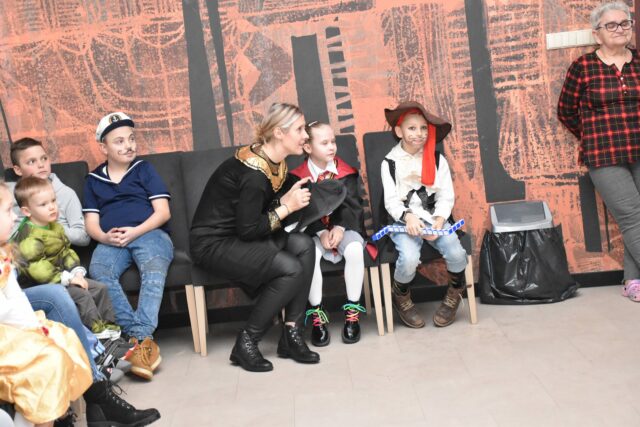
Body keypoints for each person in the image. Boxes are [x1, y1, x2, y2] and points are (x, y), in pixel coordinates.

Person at [0, 181, 160, 427]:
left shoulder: (12, 246)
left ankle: (101, 374)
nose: (14, 217)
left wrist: (75, 271)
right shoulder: (27, 237)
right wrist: (35, 331)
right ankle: (87, 397)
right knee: (60, 311)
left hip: (22, 300)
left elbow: (19, 294)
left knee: (61, 295)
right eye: (8, 210)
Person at [190, 102, 320, 372]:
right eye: (299, 129)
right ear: (279, 133)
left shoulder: (274, 160)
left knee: (305, 246)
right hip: (213, 243)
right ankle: (247, 341)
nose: (305, 135)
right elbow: (248, 229)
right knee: (291, 268)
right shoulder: (254, 175)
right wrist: (287, 207)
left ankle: (292, 334)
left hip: (237, 236)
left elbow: (262, 211)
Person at [557, 1, 640, 302]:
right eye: (611, 25)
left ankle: (632, 280)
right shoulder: (583, 66)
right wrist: (592, 136)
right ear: (597, 33)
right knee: (632, 217)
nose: (620, 29)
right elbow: (566, 111)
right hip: (604, 156)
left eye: (625, 23)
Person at [83, 112, 174, 380]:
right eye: (119, 141)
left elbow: (163, 212)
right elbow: (91, 223)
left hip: (149, 232)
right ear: (104, 148)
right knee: (99, 269)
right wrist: (105, 238)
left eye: (131, 139)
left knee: (153, 267)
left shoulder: (144, 169)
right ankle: (140, 342)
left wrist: (136, 231)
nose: (128, 145)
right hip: (113, 239)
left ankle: (138, 339)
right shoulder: (93, 180)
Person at [381, 101, 468, 328]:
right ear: (398, 131)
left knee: (456, 251)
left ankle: (454, 292)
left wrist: (440, 219)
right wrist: (408, 217)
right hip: (404, 222)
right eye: (412, 128)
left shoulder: (437, 160)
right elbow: (391, 201)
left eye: (423, 128)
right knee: (409, 258)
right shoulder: (389, 163)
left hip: (433, 218)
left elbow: (446, 195)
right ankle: (401, 295)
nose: (419, 133)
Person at [12, 176, 119, 339]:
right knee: (81, 294)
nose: (52, 207)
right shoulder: (28, 236)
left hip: (60, 278)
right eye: (43, 204)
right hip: (37, 285)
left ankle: (110, 328)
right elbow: (38, 269)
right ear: (27, 211)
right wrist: (69, 279)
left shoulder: (55, 227)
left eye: (53, 201)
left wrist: (76, 272)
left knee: (100, 288)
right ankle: (96, 332)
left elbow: (66, 252)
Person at [289, 121, 366, 345]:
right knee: (309, 255)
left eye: (333, 141)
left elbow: (352, 206)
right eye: (324, 143)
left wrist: (339, 228)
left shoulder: (346, 172)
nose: (331, 147)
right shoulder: (298, 177)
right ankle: (317, 316)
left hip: (344, 228)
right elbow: (300, 213)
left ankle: (352, 315)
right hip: (313, 232)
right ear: (308, 147)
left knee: (354, 249)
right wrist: (321, 231)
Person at [8, 137, 90, 246]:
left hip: (56, 251)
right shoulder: (8, 194)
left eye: (44, 158)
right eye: (32, 161)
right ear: (18, 170)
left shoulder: (66, 194)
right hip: (21, 251)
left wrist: (50, 226)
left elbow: (83, 237)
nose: (41, 165)